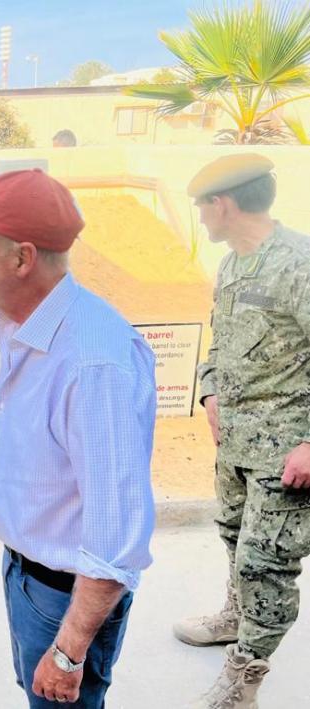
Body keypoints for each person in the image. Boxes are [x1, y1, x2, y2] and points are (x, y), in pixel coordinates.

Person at [0, 168, 157, 708]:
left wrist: (70, 653)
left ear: (22, 258)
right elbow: (17, 418)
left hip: (66, 594)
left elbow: (117, 536)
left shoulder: (94, 364)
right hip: (29, 575)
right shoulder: (23, 323)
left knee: (59, 698)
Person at [172, 154, 310, 709]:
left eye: (203, 208)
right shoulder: (233, 264)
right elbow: (221, 340)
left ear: (222, 205)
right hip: (238, 442)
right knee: (233, 536)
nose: (201, 219)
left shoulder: (298, 263)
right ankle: (237, 617)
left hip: (288, 449)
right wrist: (208, 390)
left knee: (265, 563)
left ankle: (243, 679)